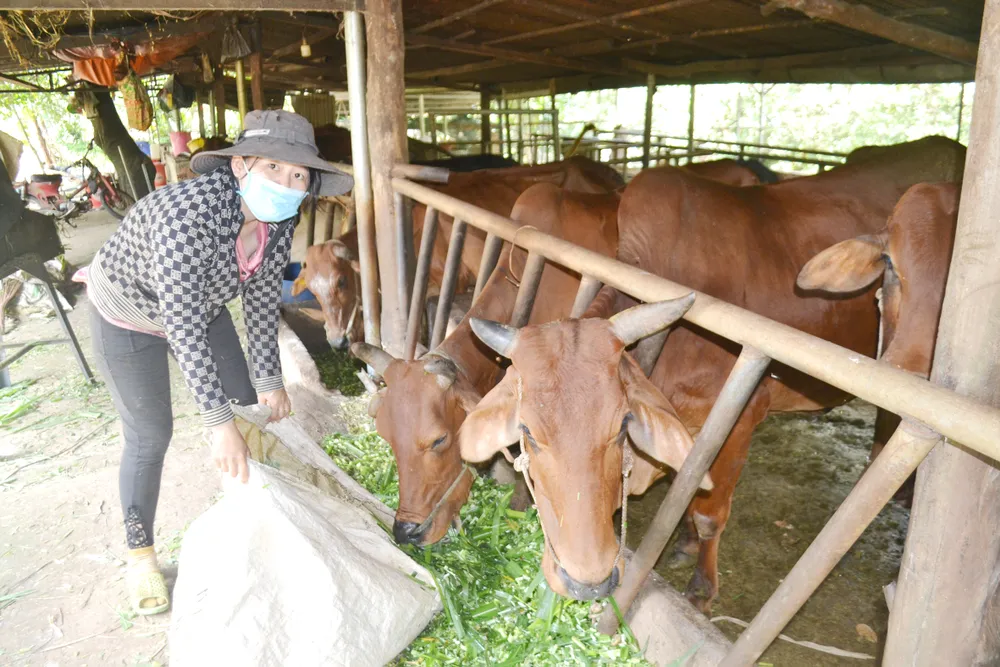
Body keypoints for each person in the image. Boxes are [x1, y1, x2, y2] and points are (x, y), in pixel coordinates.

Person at [84, 110, 352, 615]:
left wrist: (271, 379)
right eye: (274, 168)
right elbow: (180, 325)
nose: (288, 183)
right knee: (151, 433)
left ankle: (256, 514)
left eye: (299, 175)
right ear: (240, 165)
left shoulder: (279, 216)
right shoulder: (188, 215)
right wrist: (215, 424)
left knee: (248, 401)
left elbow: (257, 299)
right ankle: (140, 554)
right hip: (130, 313)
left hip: (201, 303)